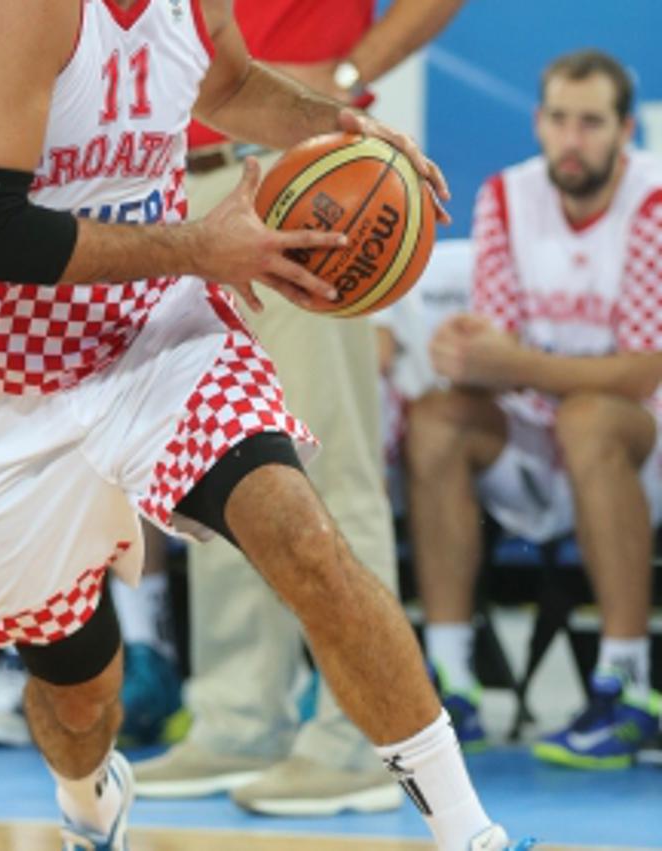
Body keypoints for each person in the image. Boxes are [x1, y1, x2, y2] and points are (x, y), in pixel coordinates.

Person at [0, 0, 533, 849]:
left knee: (302, 531)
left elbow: (228, 82)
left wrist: (343, 127)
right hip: (0, 371)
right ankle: (91, 807)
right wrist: (200, 247)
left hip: (153, 330)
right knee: (79, 696)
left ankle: (470, 832)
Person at [134, 0, 468, 816]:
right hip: (191, 184)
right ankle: (239, 716)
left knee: (329, 468)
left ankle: (362, 738)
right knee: (215, 461)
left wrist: (349, 77)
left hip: (304, 179)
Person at [406, 49, 662, 770]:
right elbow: (493, 344)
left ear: (624, 132)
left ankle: (629, 683)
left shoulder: (652, 200)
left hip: (640, 442)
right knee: (435, 417)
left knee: (590, 416)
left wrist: (509, 362)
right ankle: (448, 680)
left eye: (590, 122)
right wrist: (464, 354)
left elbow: (644, 369)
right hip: (534, 434)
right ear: (538, 122)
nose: (572, 138)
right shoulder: (506, 195)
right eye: (558, 119)